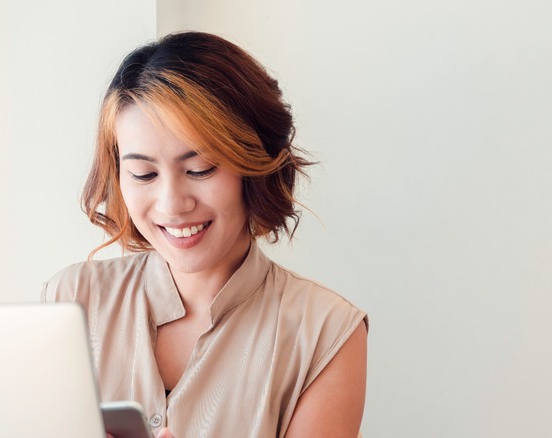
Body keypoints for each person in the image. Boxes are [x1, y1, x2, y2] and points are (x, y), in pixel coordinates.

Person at [42, 31, 368, 438]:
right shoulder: (70, 301)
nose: (172, 204)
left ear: (253, 164)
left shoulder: (325, 331)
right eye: (144, 174)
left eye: (200, 169)